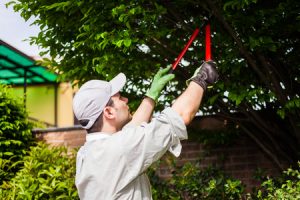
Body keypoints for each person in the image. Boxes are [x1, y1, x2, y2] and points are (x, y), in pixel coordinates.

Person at [73, 60, 218, 200]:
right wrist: (201, 79)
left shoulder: (87, 153)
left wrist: (151, 96)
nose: (126, 100)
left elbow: (131, 134)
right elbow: (179, 116)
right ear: (109, 112)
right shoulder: (119, 148)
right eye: (120, 98)